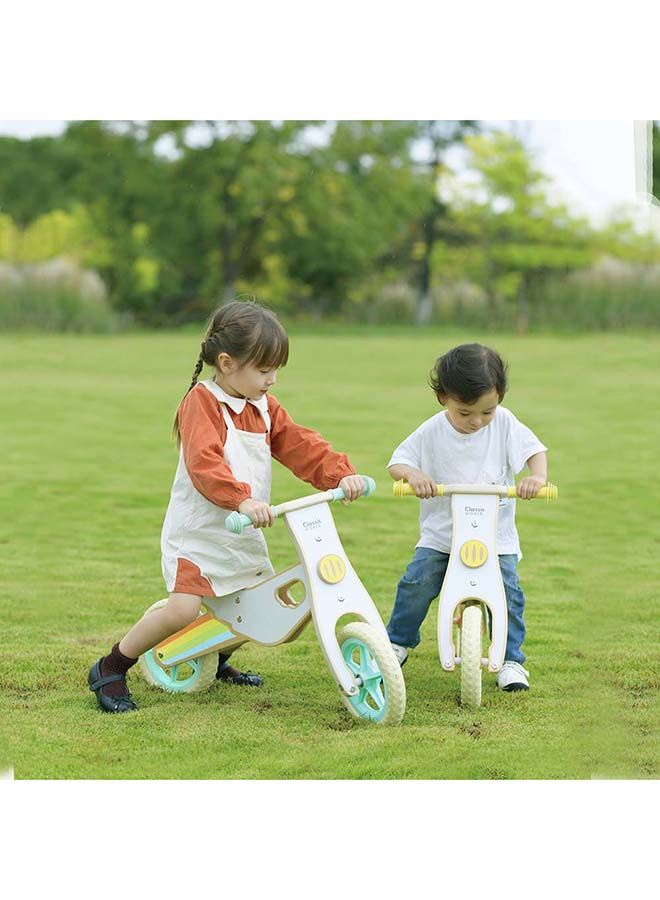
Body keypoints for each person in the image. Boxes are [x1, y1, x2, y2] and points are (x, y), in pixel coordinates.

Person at [88, 300, 365, 713]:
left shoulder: (264, 407)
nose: (272, 380)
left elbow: (298, 443)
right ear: (227, 362)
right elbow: (204, 462)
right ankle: (111, 667)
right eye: (264, 370)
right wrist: (243, 498)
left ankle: (216, 658)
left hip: (241, 527)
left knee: (253, 606)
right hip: (200, 532)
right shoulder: (203, 402)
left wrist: (339, 473)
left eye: (276, 371)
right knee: (182, 609)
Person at [386, 342, 548, 691]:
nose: (477, 421)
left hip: (495, 536)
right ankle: (397, 642)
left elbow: (534, 450)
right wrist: (412, 476)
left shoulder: (504, 424)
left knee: (508, 592)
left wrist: (537, 477)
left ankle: (510, 660)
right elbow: (398, 462)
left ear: (499, 398)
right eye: (465, 413)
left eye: (486, 411)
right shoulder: (431, 431)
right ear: (443, 397)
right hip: (442, 535)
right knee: (417, 581)